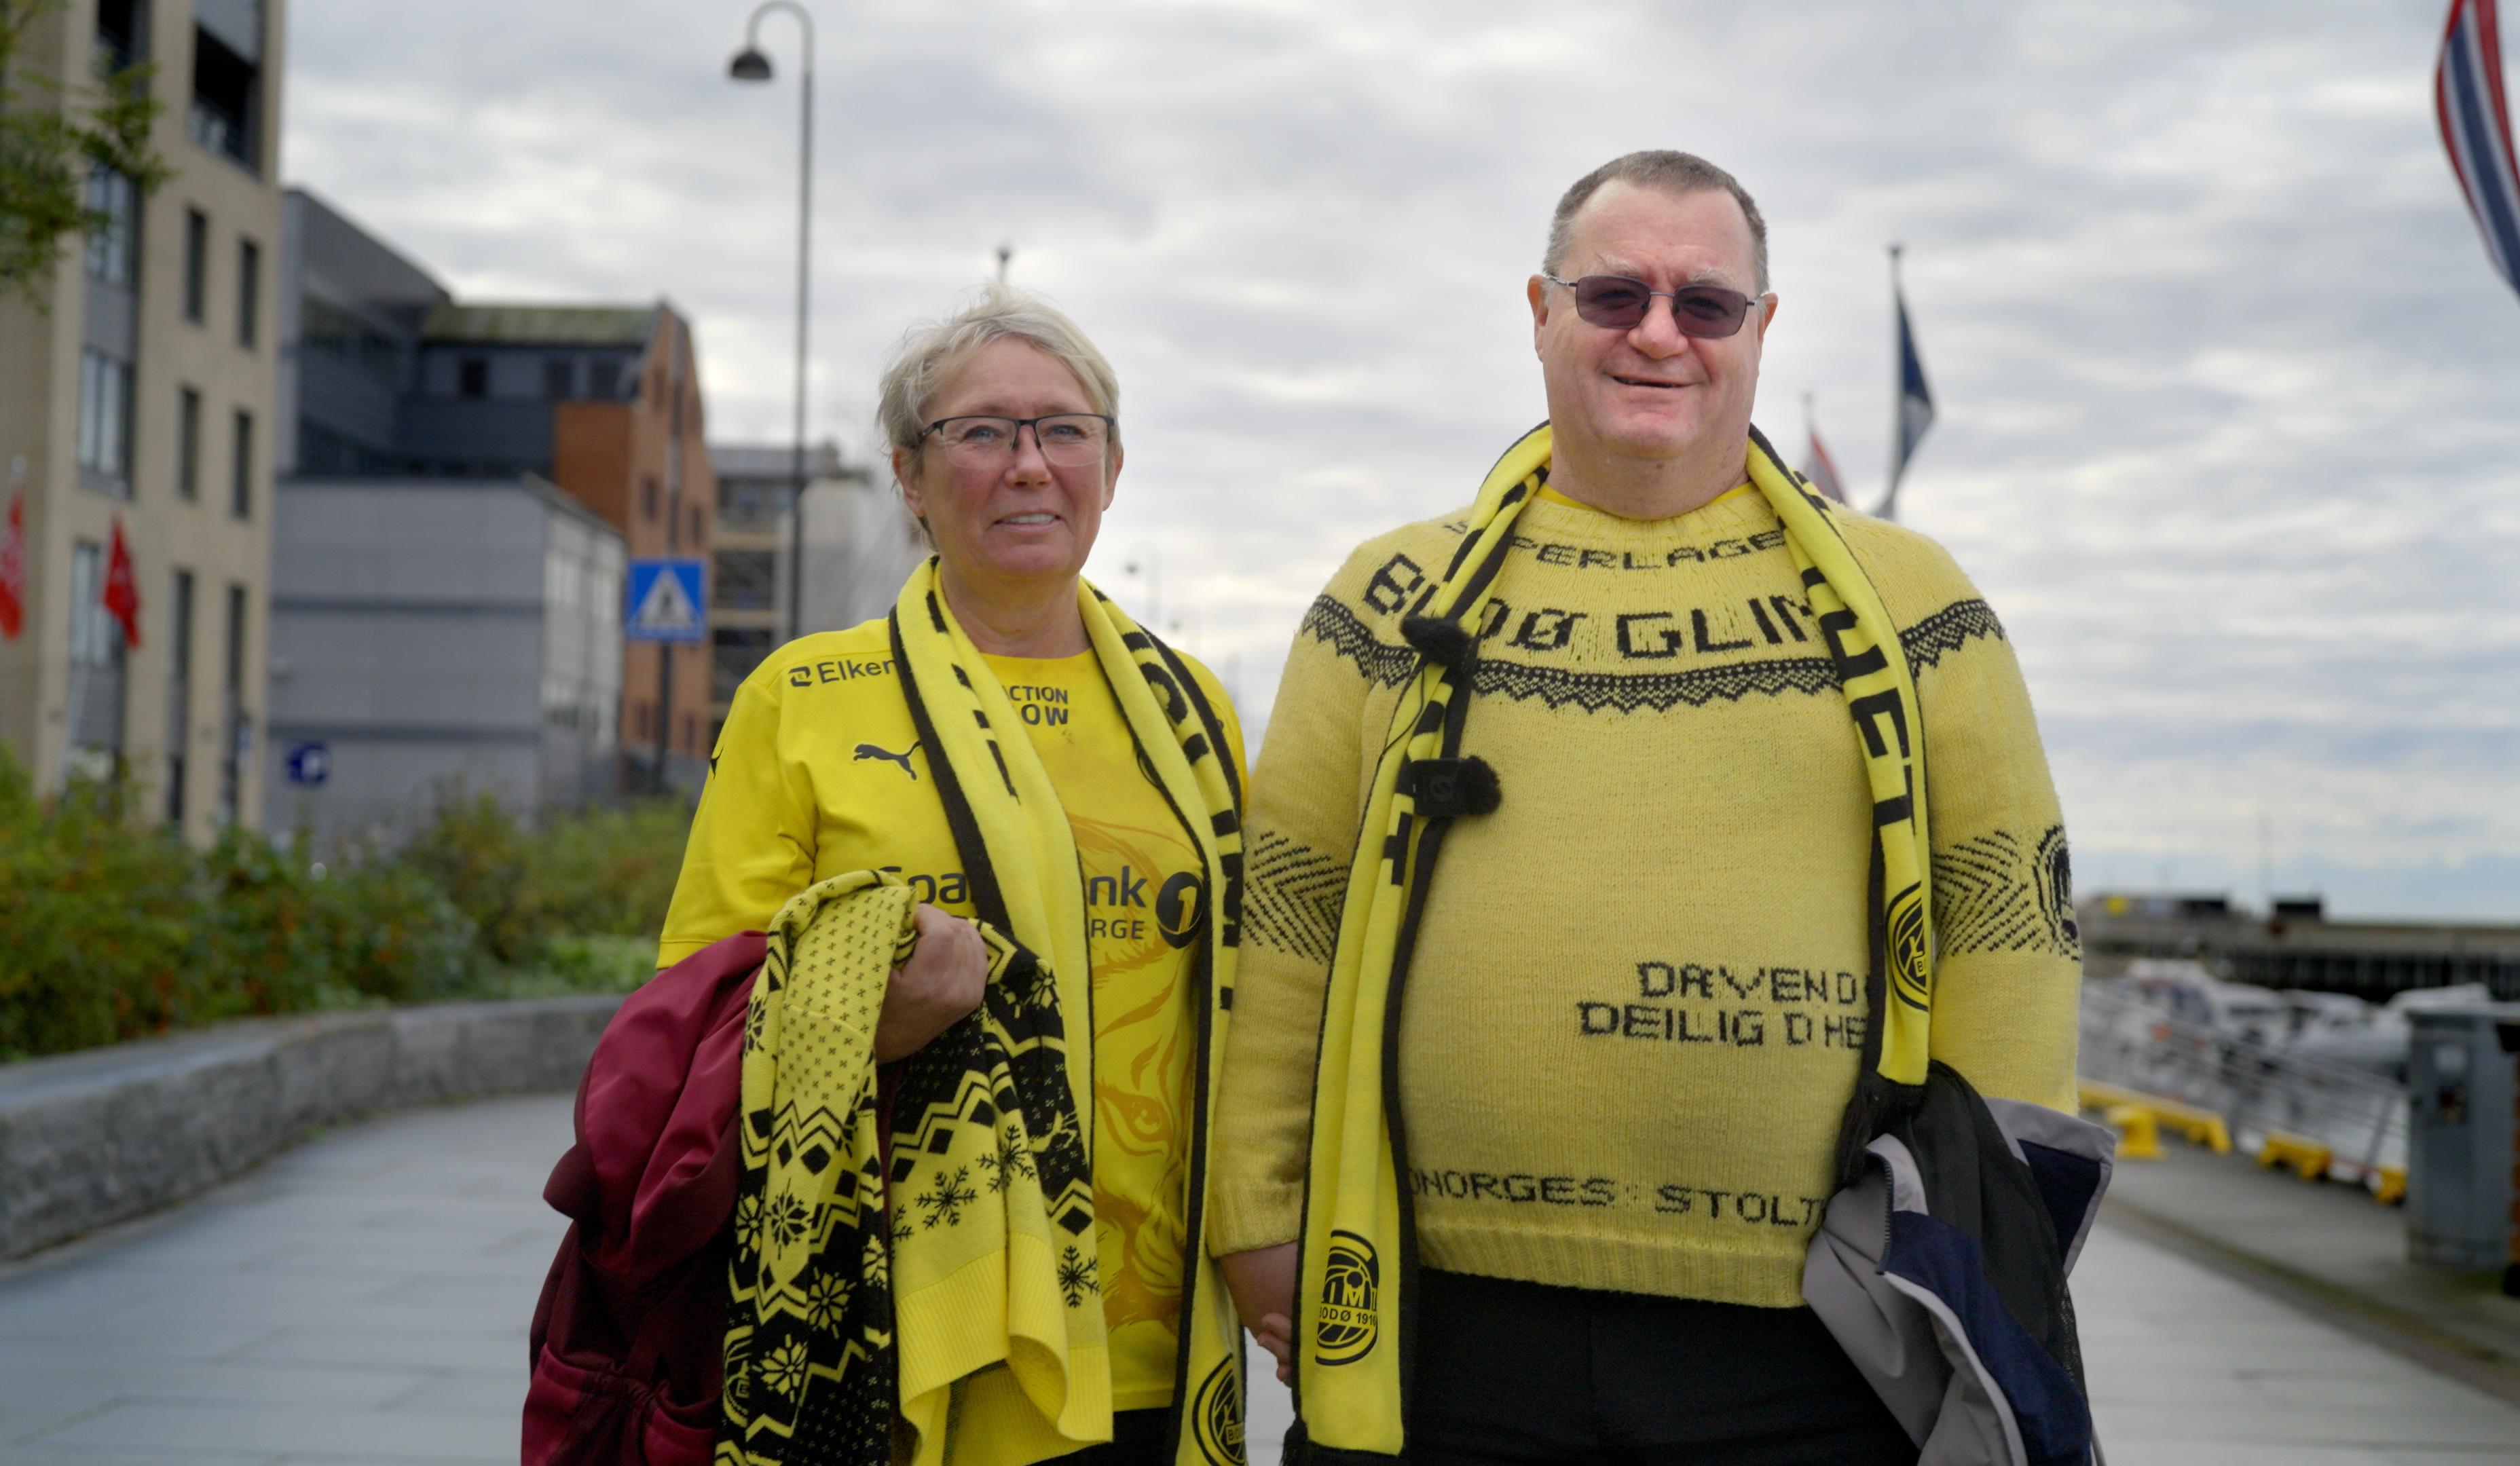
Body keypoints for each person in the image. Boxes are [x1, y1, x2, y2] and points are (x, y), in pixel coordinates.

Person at [1210, 151, 2088, 1464]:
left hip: (1824, 1341)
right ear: (1541, 311)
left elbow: (2008, 925)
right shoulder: (1387, 597)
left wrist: (1991, 1252)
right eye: (1614, 296)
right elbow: (1288, 921)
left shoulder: (1915, 602)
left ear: (1763, 330)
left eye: (1707, 304)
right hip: (1440, 1325)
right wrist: (1258, 1211)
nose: (1661, 335)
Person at [659, 286, 1250, 1466]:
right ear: (911, 478)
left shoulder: (1194, 708)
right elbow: (690, 1019)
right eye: (981, 433)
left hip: (1159, 1336)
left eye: (1064, 429)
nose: (1029, 464)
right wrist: (861, 1016)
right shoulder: (804, 699)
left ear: (1113, 466)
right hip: (906, 1335)